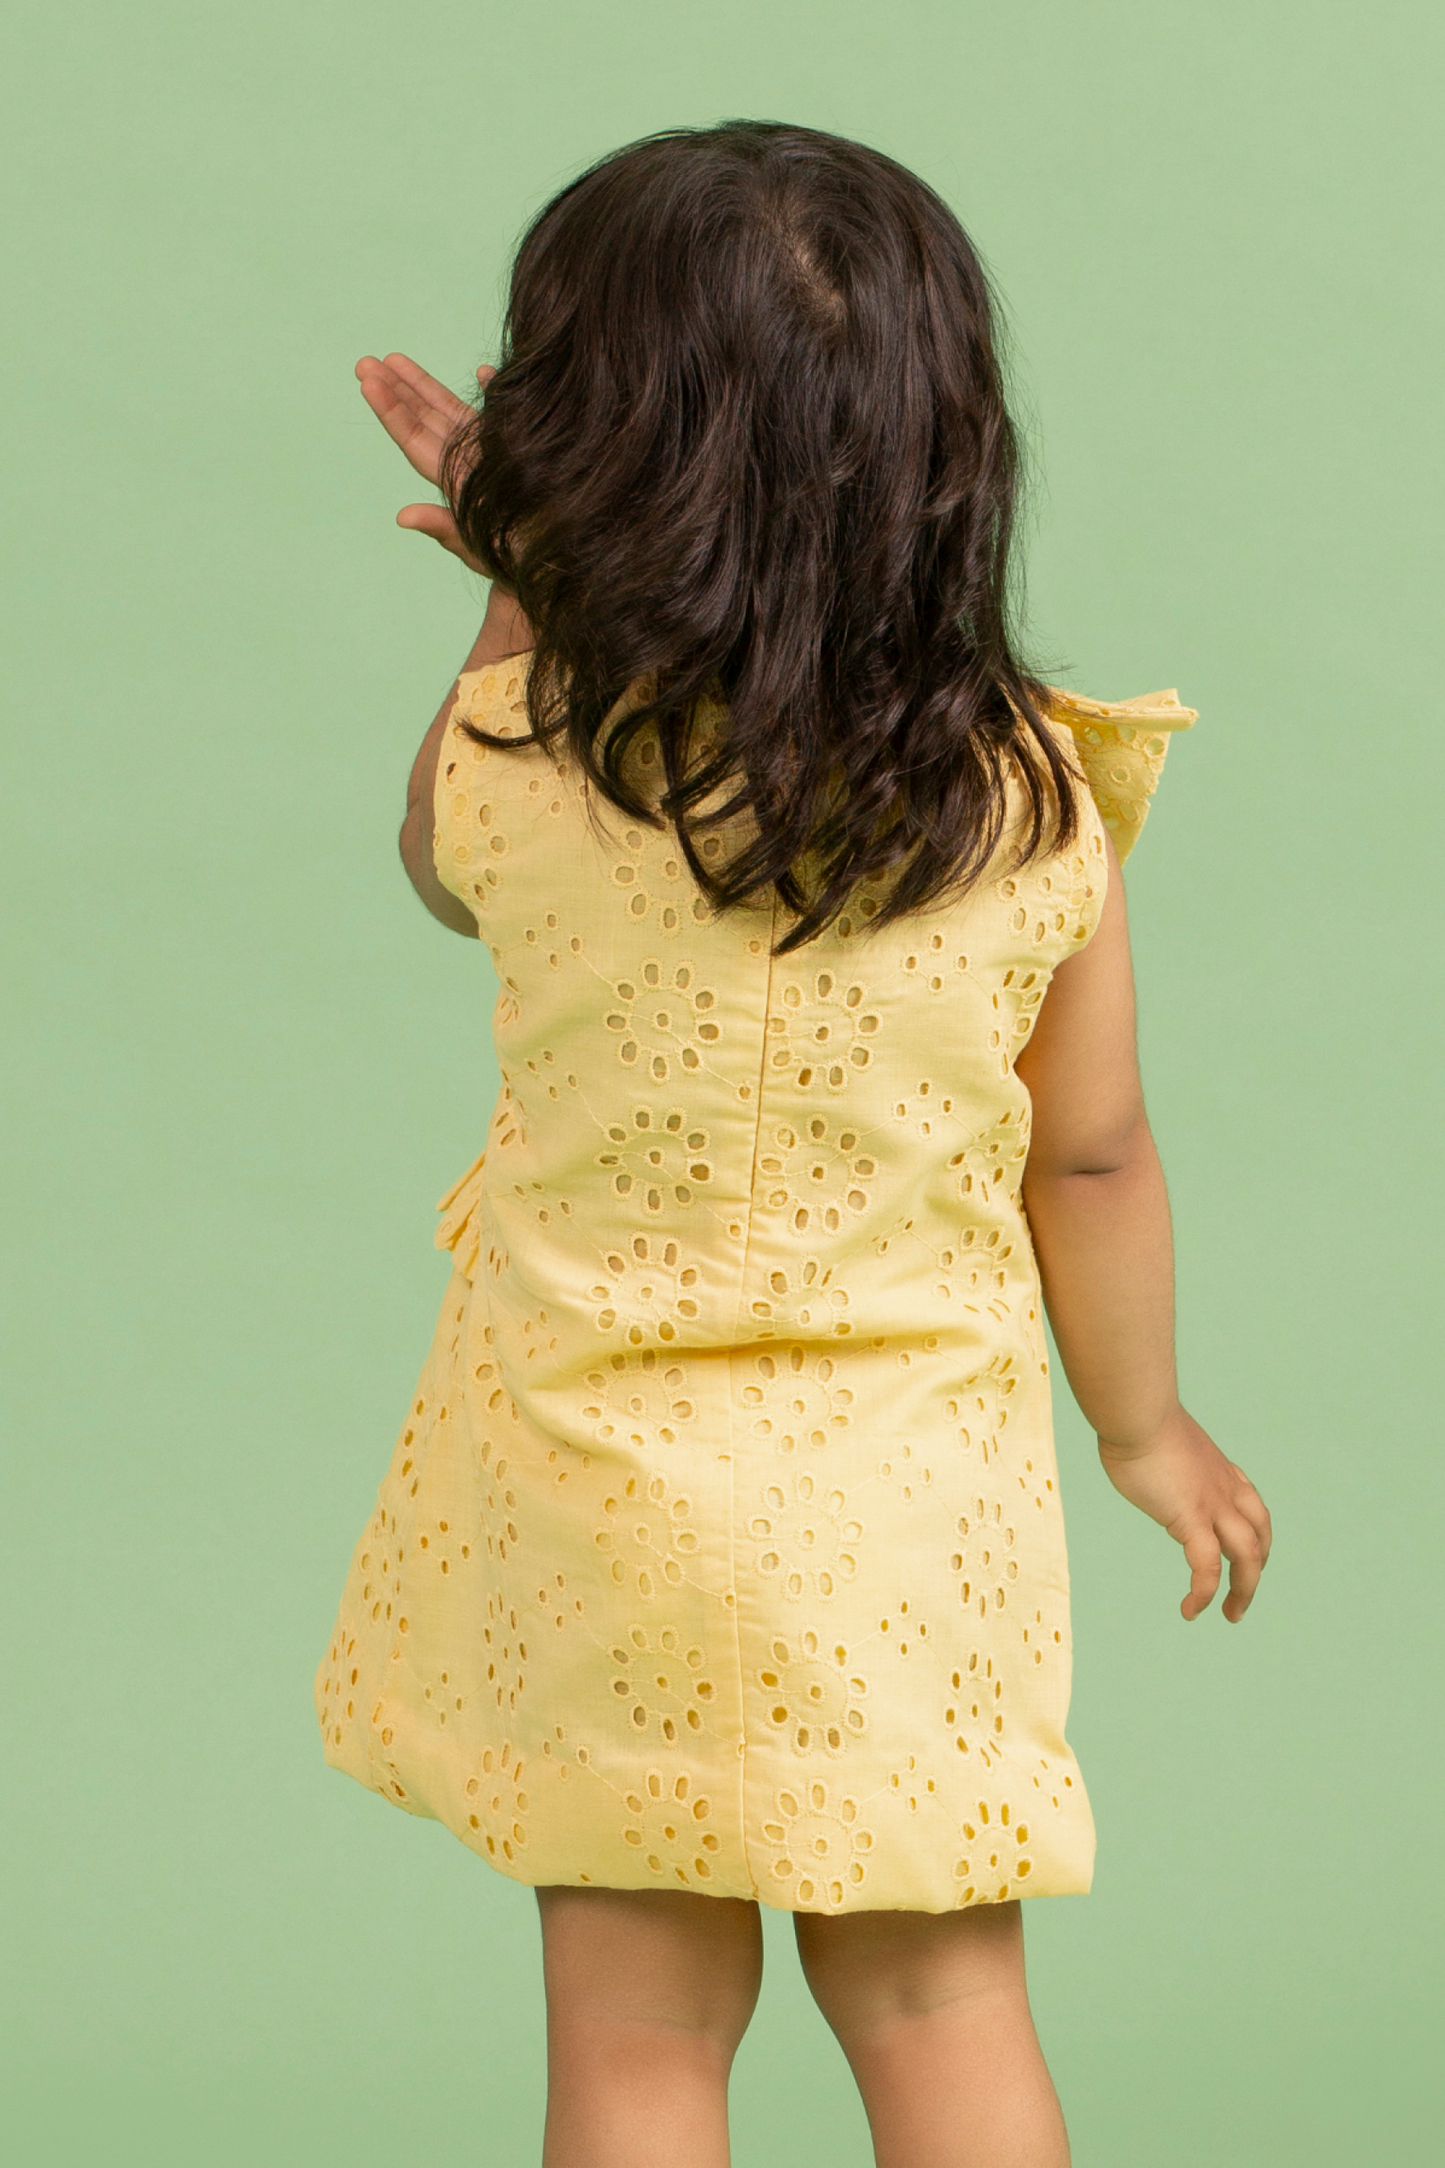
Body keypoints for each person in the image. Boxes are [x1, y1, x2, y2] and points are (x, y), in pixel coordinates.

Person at [314, 120, 1273, 2168]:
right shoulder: (1030, 800)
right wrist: (1142, 1428)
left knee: (640, 2039)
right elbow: (1087, 1161)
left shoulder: (527, 744)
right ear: (943, 448)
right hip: (904, 1530)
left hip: (596, 1495)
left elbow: (428, 867)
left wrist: (515, 601)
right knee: (937, 2005)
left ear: (585, 451)